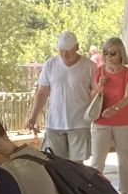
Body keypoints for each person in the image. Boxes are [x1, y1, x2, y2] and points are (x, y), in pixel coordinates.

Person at [26, 31, 97, 160]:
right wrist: (33, 116)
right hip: (54, 123)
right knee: (56, 164)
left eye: (69, 50)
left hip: (79, 123)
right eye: (61, 50)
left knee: (76, 165)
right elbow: (42, 93)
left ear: (77, 47)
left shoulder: (89, 66)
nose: (65, 54)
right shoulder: (50, 64)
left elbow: (96, 93)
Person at [88, 36, 128, 194]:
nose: (109, 56)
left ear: (121, 54)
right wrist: (99, 85)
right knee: (97, 160)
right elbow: (91, 95)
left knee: (124, 159)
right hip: (101, 121)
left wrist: (114, 109)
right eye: (106, 53)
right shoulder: (99, 71)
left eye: (113, 53)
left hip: (123, 122)